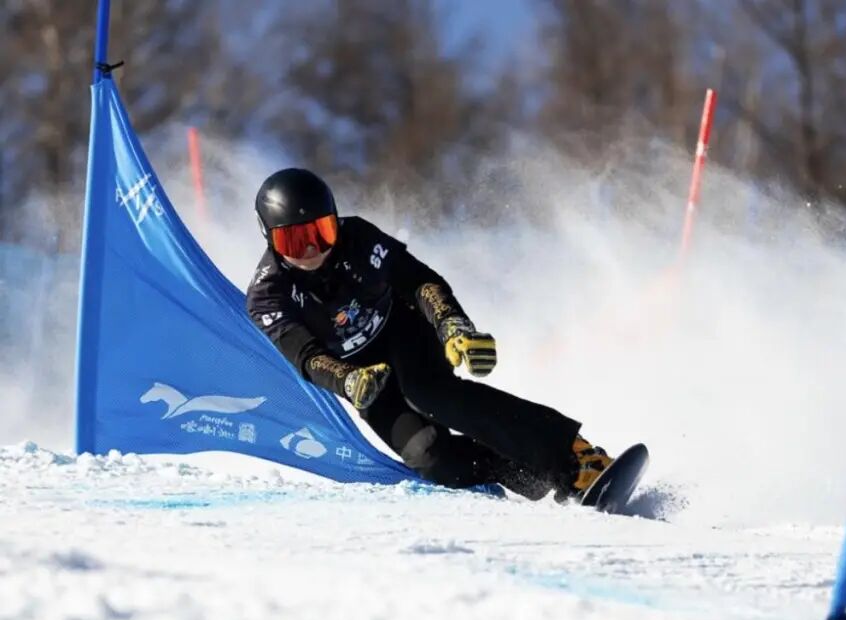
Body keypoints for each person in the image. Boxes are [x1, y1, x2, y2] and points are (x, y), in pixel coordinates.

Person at [246, 167, 612, 501]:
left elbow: (418, 281)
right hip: (360, 376)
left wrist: (452, 325)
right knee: (432, 459)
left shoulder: (357, 237)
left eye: (322, 232)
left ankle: (575, 457)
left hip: (401, 332)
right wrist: (347, 381)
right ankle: (533, 476)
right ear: (270, 240)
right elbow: (306, 356)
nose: (312, 250)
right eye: (295, 241)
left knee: (432, 395)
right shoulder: (267, 296)